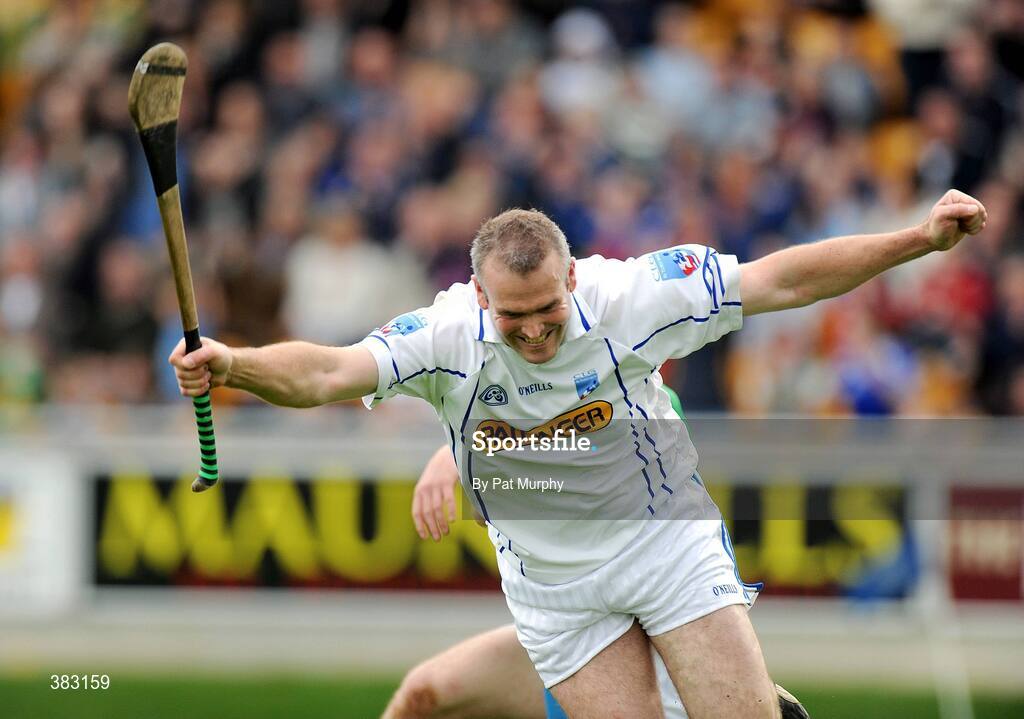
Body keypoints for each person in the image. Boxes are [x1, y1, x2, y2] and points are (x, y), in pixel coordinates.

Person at [171, 190, 986, 718]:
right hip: (555, 591)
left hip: (662, 542)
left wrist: (916, 239)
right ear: (480, 294)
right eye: (513, 315)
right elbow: (327, 371)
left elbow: (783, 282)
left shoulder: (630, 296)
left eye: (549, 312)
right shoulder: (447, 333)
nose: (533, 332)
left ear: (573, 277)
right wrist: (236, 364)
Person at [383, 387, 808, 719]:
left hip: (643, 613)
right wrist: (461, 454)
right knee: (423, 694)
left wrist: (466, 457)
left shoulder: (636, 389)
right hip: (568, 615)